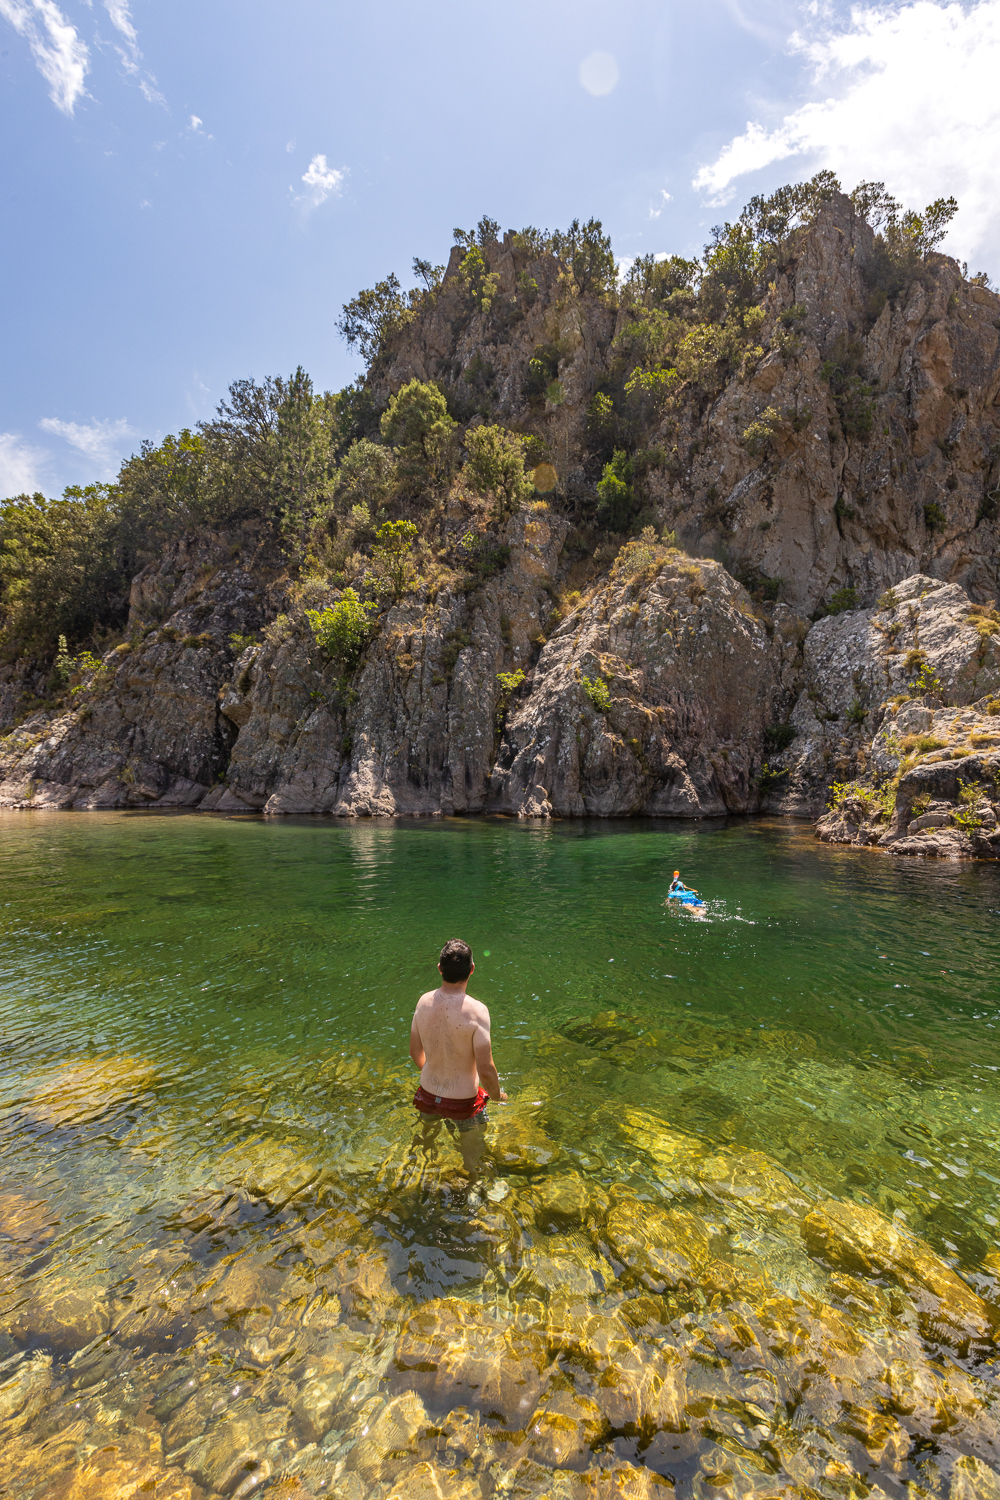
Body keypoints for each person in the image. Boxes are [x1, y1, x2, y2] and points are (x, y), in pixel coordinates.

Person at [409, 938, 506, 1173]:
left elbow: (414, 1052)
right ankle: (473, 1194)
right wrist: (497, 1095)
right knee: (473, 1157)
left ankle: (422, 1181)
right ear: (472, 969)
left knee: (425, 1148)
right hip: (464, 1104)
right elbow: (486, 1069)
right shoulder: (477, 1011)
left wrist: (433, 1071)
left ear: (440, 968)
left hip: (427, 1095)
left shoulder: (423, 1002)